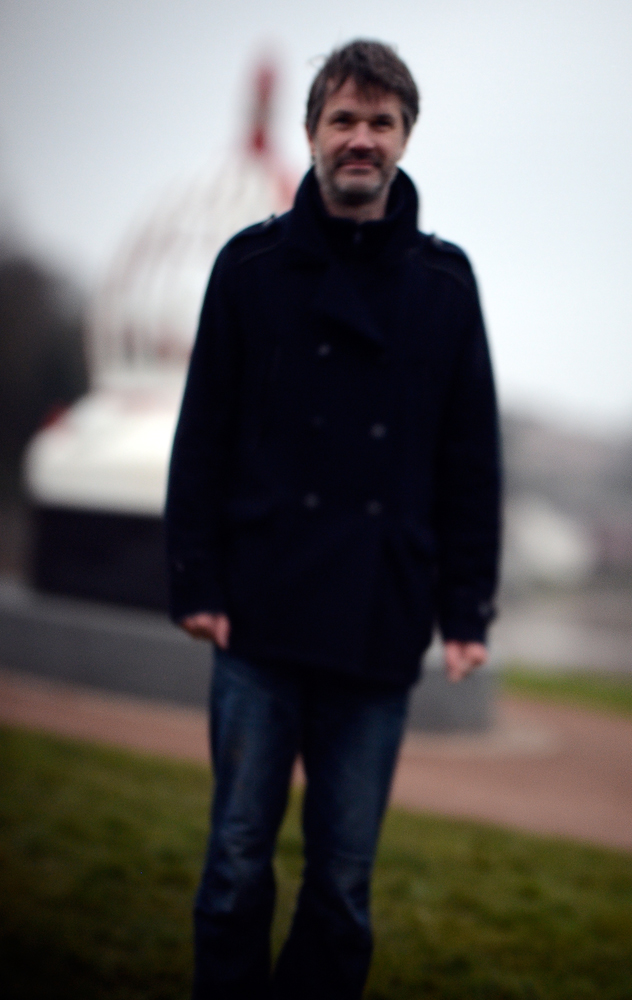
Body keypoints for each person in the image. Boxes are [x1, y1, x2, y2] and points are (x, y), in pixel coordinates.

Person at [165, 39, 500, 1000]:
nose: (362, 138)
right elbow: (203, 437)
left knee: (343, 890)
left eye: (380, 122)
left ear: (405, 139)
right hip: (259, 614)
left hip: (377, 622)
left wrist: (466, 609)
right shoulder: (250, 266)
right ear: (311, 131)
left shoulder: (446, 285)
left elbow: (470, 460)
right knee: (235, 870)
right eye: (344, 119)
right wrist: (195, 580)